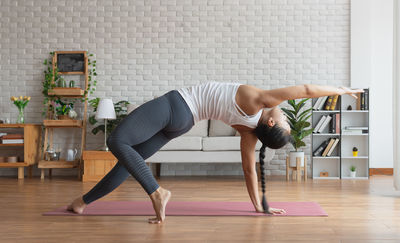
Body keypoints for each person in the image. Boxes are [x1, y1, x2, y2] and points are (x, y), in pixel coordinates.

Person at [67, 81, 363, 223]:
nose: (285, 114)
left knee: (117, 141)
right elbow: (249, 170)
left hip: (176, 106)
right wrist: (261, 206)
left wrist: (341, 89)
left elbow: (307, 89)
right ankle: (82, 202)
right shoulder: (249, 133)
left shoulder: (259, 100)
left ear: (271, 121)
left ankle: (156, 192)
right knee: (129, 162)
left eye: (284, 120)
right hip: (183, 124)